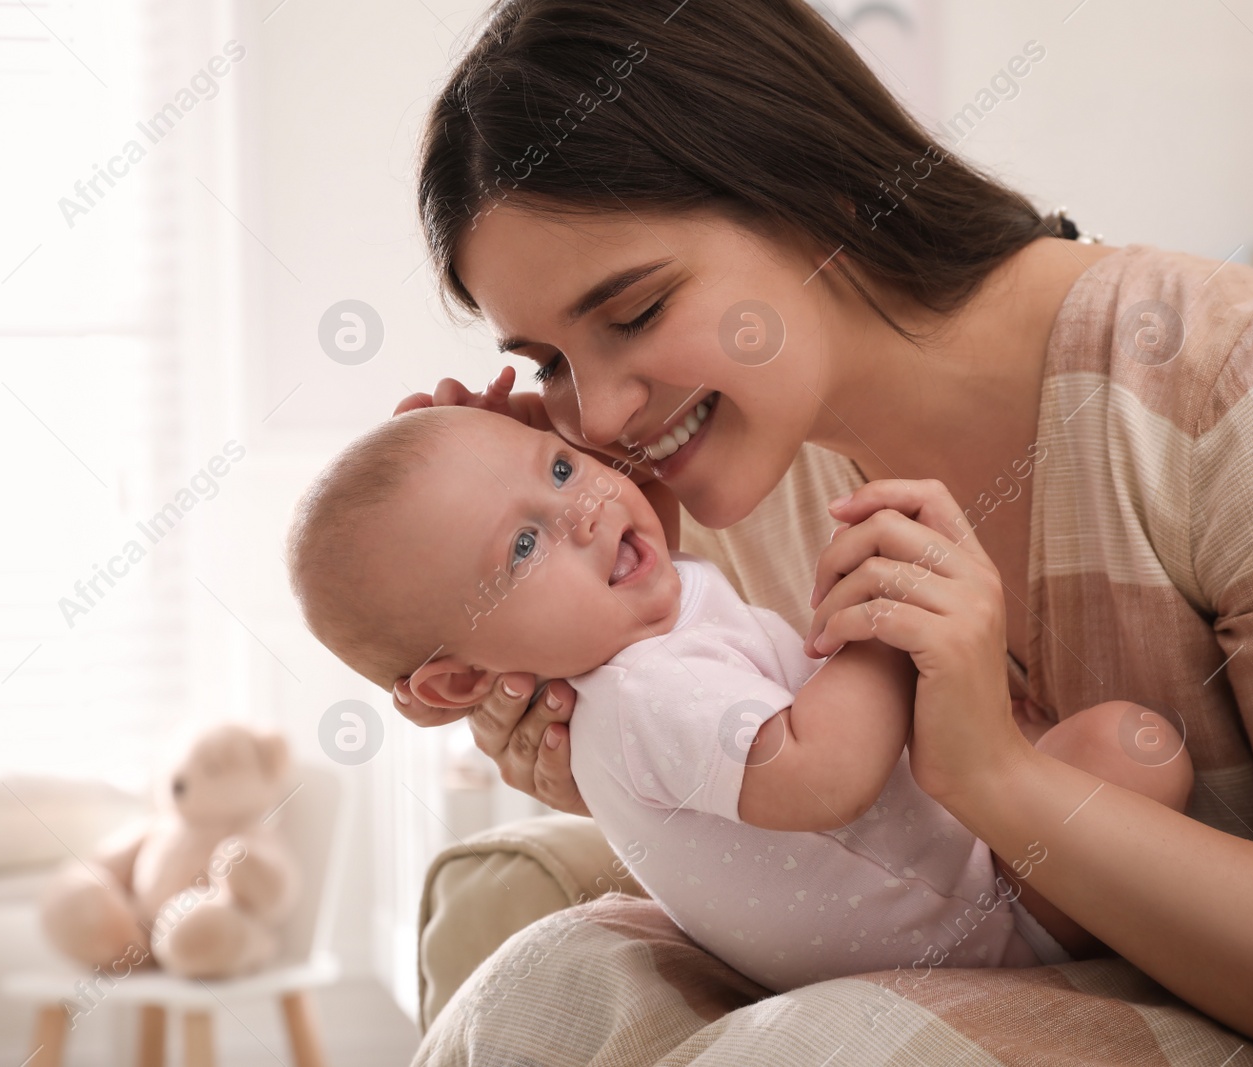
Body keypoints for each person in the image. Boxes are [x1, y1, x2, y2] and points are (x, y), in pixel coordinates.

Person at [394, 0, 1253, 1061]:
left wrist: (997, 776)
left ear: (813, 189)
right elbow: (816, 855)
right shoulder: (709, 476)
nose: (602, 413)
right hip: (959, 974)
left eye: (634, 314)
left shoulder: (1226, 378)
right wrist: (471, 573)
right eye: (552, 364)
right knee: (539, 984)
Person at [286, 405, 1195, 990]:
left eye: (558, 469)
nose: (586, 511)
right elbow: (822, 771)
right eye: (523, 547)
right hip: (964, 931)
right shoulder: (640, 693)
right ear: (460, 680)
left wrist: (590, 455)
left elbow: (653, 542)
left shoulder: (624, 637)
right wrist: (882, 621)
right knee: (1129, 744)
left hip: (954, 880)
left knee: (1076, 745)